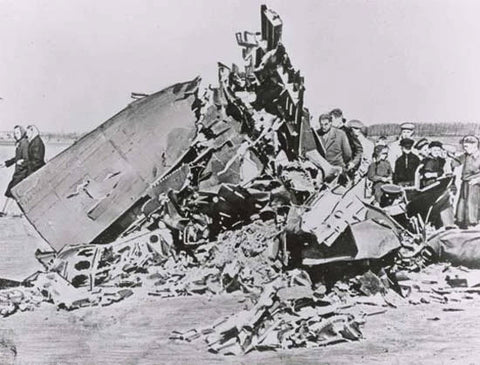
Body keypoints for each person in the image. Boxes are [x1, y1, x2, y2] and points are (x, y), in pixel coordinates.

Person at [451, 135, 480, 228]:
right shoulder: (466, 155)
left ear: (474, 145)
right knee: (462, 203)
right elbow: (455, 162)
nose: (465, 148)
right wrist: (449, 155)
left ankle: (472, 224)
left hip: (475, 184)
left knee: (472, 205)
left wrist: (477, 180)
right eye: (464, 146)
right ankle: (461, 223)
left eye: (467, 146)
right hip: (465, 183)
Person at [0, 125, 29, 215]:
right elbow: (16, 158)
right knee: (14, 193)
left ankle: (5, 212)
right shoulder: (20, 143)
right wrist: (6, 163)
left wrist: (22, 162)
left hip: (22, 173)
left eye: (17, 133)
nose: (15, 135)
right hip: (19, 172)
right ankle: (20, 212)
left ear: (22, 132)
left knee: (12, 191)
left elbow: (27, 158)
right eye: (14, 133)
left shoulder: (24, 143)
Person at [330, 109, 363, 173]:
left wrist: (353, 163)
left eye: (332, 120)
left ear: (339, 119)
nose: (330, 123)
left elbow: (359, 150)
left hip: (347, 169)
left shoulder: (348, 132)